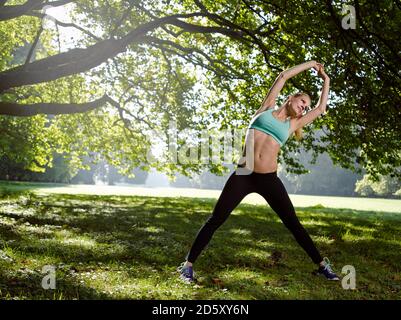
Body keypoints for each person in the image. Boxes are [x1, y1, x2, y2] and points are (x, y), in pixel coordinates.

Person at [178, 60, 340, 283]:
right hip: (244, 175)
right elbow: (283, 75)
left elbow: (321, 108)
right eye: (302, 101)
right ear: (291, 97)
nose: (304, 107)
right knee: (216, 218)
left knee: (293, 223)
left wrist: (326, 80)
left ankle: (322, 266)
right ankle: (187, 266)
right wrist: (311, 64)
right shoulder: (266, 108)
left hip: (268, 179)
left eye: (305, 107)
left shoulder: (293, 125)